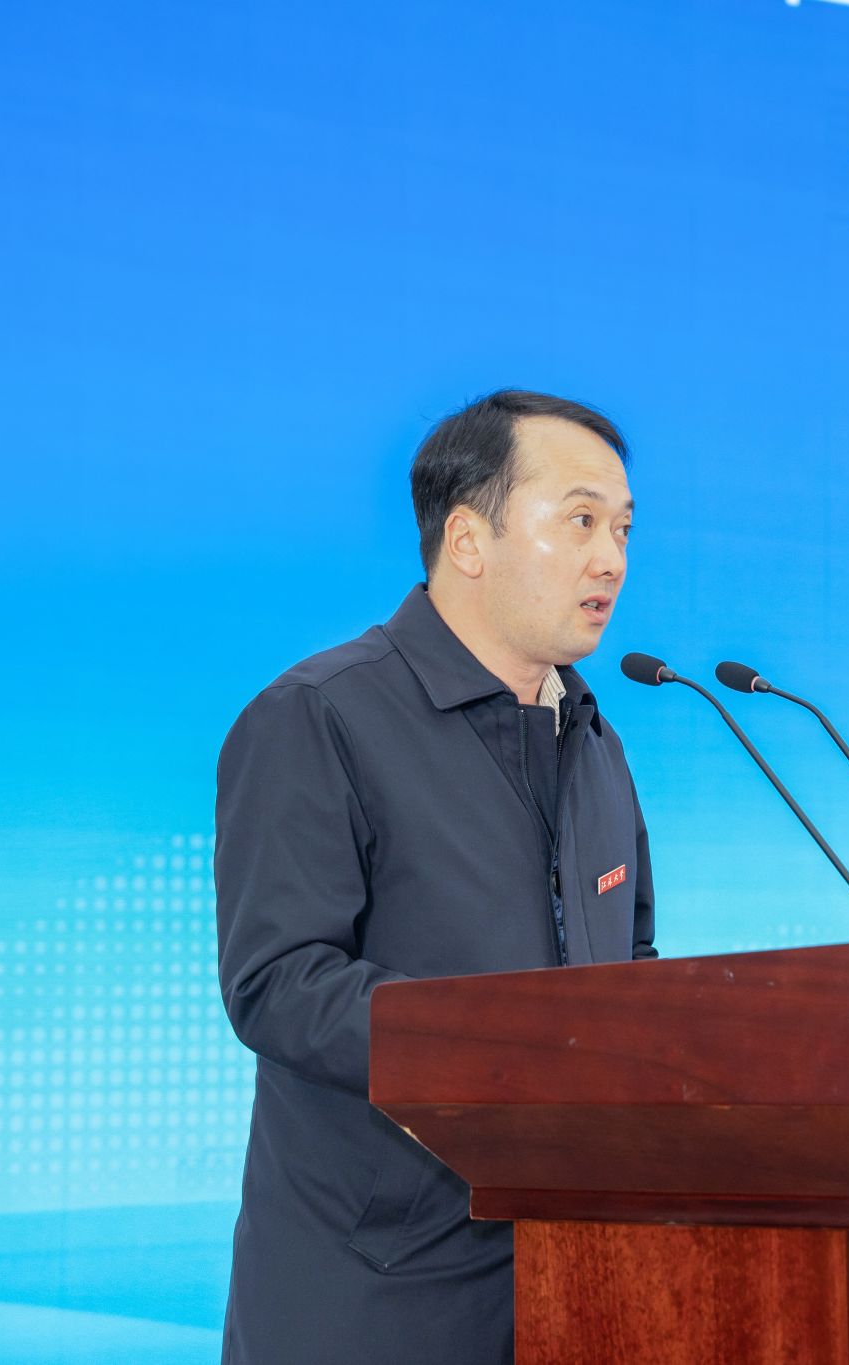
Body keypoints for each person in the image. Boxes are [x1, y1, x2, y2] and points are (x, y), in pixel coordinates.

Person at [213, 390, 655, 1364]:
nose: (611, 559)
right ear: (466, 539)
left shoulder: (594, 744)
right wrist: (504, 1051)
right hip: (375, 1290)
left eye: (622, 528)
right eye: (580, 520)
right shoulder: (320, 716)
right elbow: (278, 983)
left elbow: (633, 972)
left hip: (576, 1278)